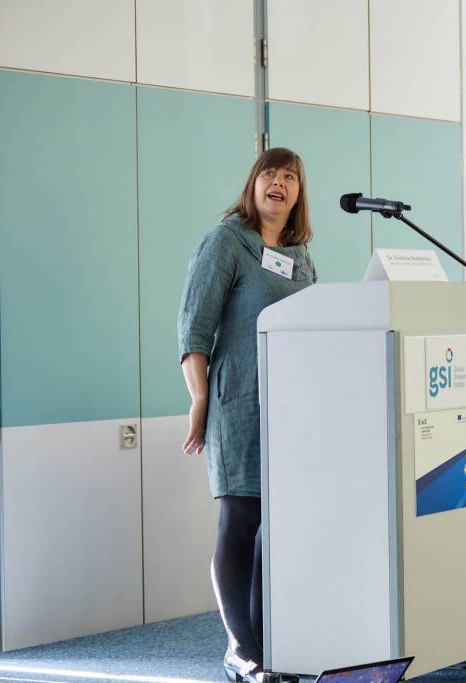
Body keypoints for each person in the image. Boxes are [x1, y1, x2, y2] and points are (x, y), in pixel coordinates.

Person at [178, 147, 317, 683]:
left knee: (277, 530)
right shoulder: (226, 242)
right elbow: (194, 329)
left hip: (292, 409)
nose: (278, 183)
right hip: (238, 403)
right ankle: (241, 650)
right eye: (269, 173)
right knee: (241, 521)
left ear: (299, 193)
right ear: (253, 183)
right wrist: (199, 400)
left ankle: (269, 646)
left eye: (290, 177)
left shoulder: (301, 256)